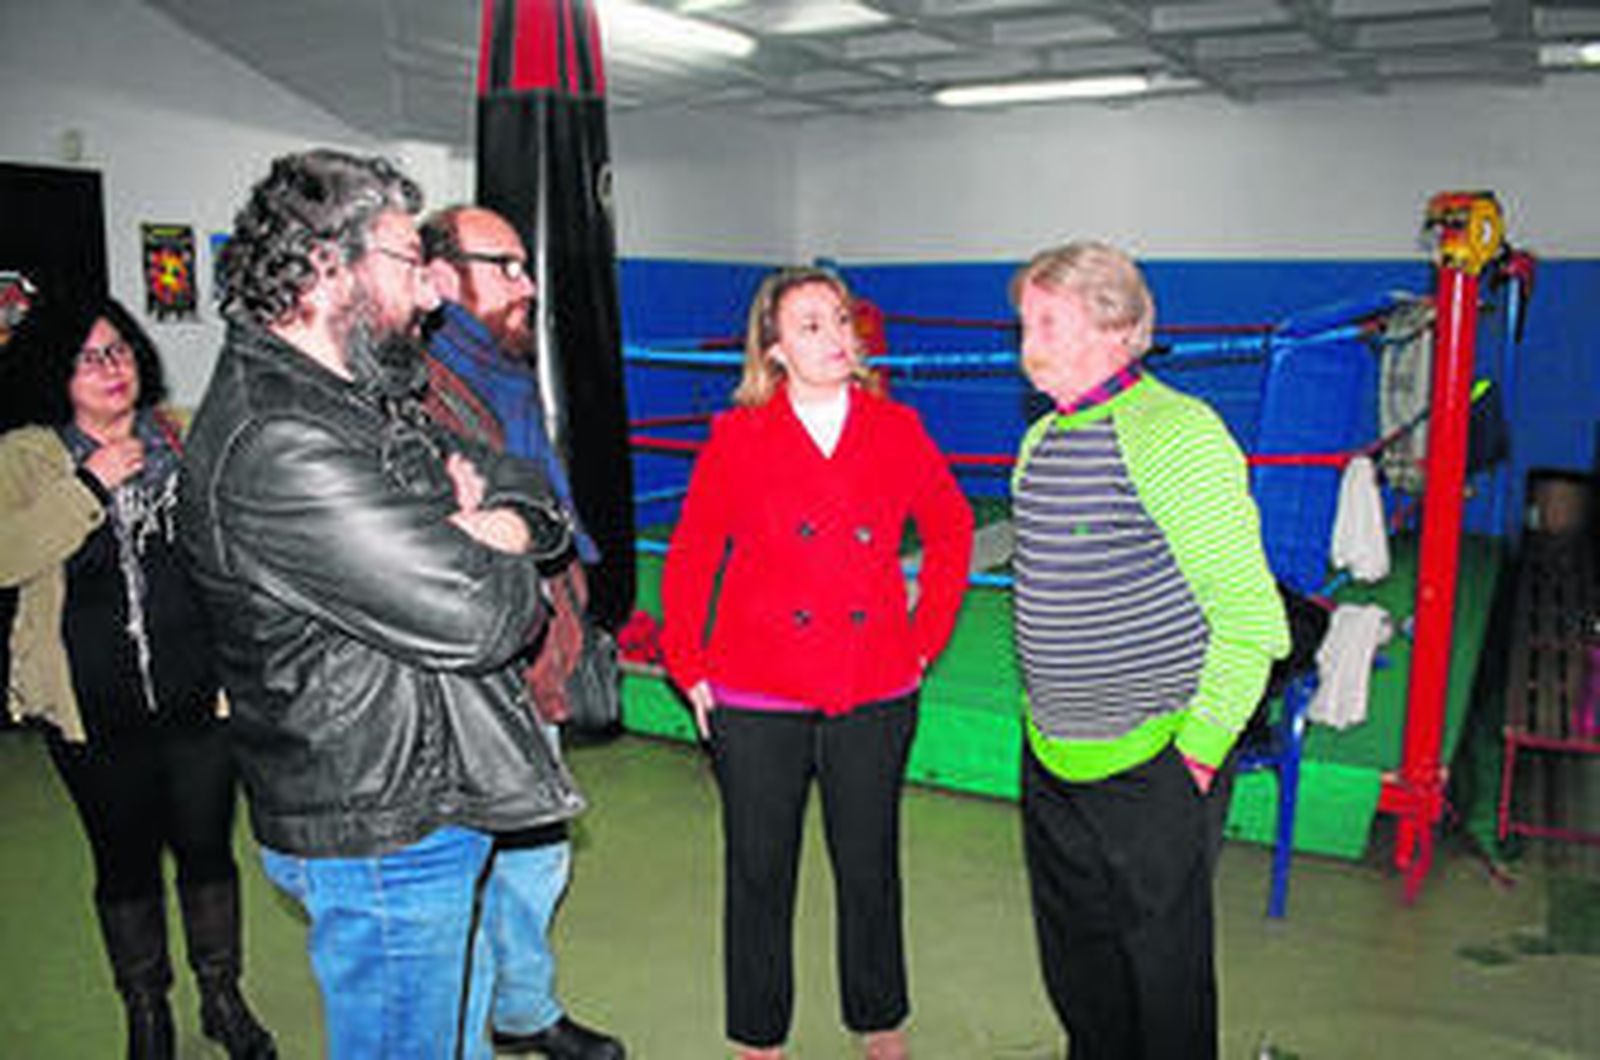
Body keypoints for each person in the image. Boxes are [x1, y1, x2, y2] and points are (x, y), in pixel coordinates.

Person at [179, 150, 584, 1060]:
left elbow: (531, 492)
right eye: (409, 261)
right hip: (380, 823)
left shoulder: (365, 393)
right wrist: (480, 531)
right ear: (329, 264)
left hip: (422, 792)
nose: (433, 296)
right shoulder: (278, 440)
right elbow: (487, 617)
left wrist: (494, 525)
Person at [661, 267, 974, 1060]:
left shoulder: (895, 428)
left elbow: (951, 528)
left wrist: (925, 634)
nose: (837, 338)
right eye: (811, 326)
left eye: (840, 320)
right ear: (773, 350)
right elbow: (695, 552)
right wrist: (686, 661)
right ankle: (758, 1035)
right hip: (757, 684)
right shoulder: (738, 436)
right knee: (759, 870)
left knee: (869, 862)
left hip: (873, 680)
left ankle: (880, 1018)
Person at [1008, 241, 1290, 1060]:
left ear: (1116, 325)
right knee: (1081, 976)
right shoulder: (1043, 443)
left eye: (1048, 322)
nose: (1028, 343)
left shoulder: (1177, 435)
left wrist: (1195, 758)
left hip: (1153, 768)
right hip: (1054, 759)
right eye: (1024, 323)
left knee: (1162, 988)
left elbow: (1251, 621)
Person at [0, 294, 275, 1060]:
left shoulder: (179, 434)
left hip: (199, 697)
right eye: (89, 357)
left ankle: (222, 996)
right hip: (92, 709)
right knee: (122, 862)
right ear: (56, 370)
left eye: (120, 350)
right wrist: (88, 486)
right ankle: (146, 1012)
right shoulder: (25, 455)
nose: (111, 368)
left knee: (206, 850)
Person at [419, 204, 623, 1060]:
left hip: (533, 648)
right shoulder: (417, 387)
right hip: (467, 669)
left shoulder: (503, 370)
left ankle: (525, 1009)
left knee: (538, 856)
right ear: (438, 276)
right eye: (506, 264)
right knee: (460, 875)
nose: (528, 283)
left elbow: (543, 509)